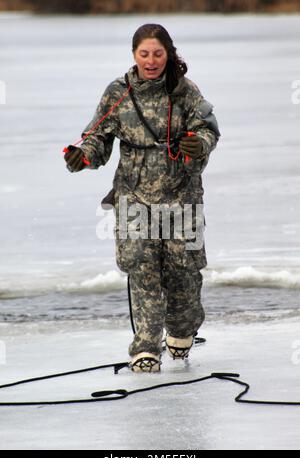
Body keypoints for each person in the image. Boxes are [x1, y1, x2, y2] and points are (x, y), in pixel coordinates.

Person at [64, 24, 220, 373]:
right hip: (133, 196)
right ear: (134, 55)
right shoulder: (118, 92)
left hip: (183, 196)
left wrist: (199, 144)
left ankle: (181, 333)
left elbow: (208, 129)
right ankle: (146, 348)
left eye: (158, 54)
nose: (151, 61)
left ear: (169, 54)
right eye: (144, 54)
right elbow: (97, 136)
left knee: (184, 271)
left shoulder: (185, 92)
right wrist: (83, 155)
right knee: (142, 269)